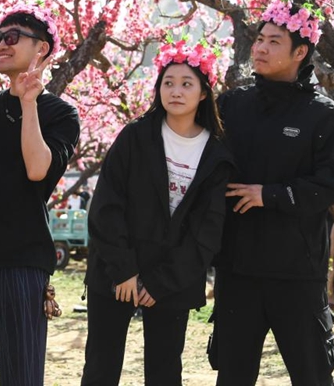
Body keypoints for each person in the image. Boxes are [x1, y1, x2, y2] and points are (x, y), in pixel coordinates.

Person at [211, 0, 334, 386]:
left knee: (312, 375)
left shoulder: (324, 115)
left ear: (300, 52)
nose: (259, 47)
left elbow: (333, 182)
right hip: (236, 269)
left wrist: (268, 195)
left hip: (297, 272)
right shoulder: (231, 105)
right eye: (259, 39)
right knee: (233, 375)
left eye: (274, 41)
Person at [80, 39, 234, 386]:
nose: (175, 91)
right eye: (168, 82)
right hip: (116, 274)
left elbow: (207, 231)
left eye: (186, 83)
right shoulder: (135, 136)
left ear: (204, 93)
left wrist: (161, 282)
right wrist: (124, 271)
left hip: (173, 279)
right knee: (101, 367)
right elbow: (107, 205)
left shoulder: (217, 155)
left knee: (165, 371)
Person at [0, 3, 80, 386]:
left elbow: (37, 169)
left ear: (41, 48)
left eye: (12, 38)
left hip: (22, 264)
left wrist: (28, 103)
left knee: (22, 376)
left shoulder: (60, 113)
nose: (0, 46)